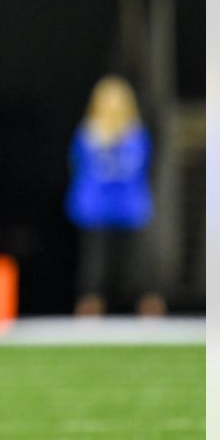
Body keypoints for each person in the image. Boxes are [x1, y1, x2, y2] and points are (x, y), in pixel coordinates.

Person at [65, 75, 165, 316]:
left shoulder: (137, 136)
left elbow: (145, 166)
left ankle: (150, 311)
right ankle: (90, 311)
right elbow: (75, 164)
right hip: (95, 209)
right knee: (94, 266)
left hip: (129, 208)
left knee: (139, 265)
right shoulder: (87, 134)